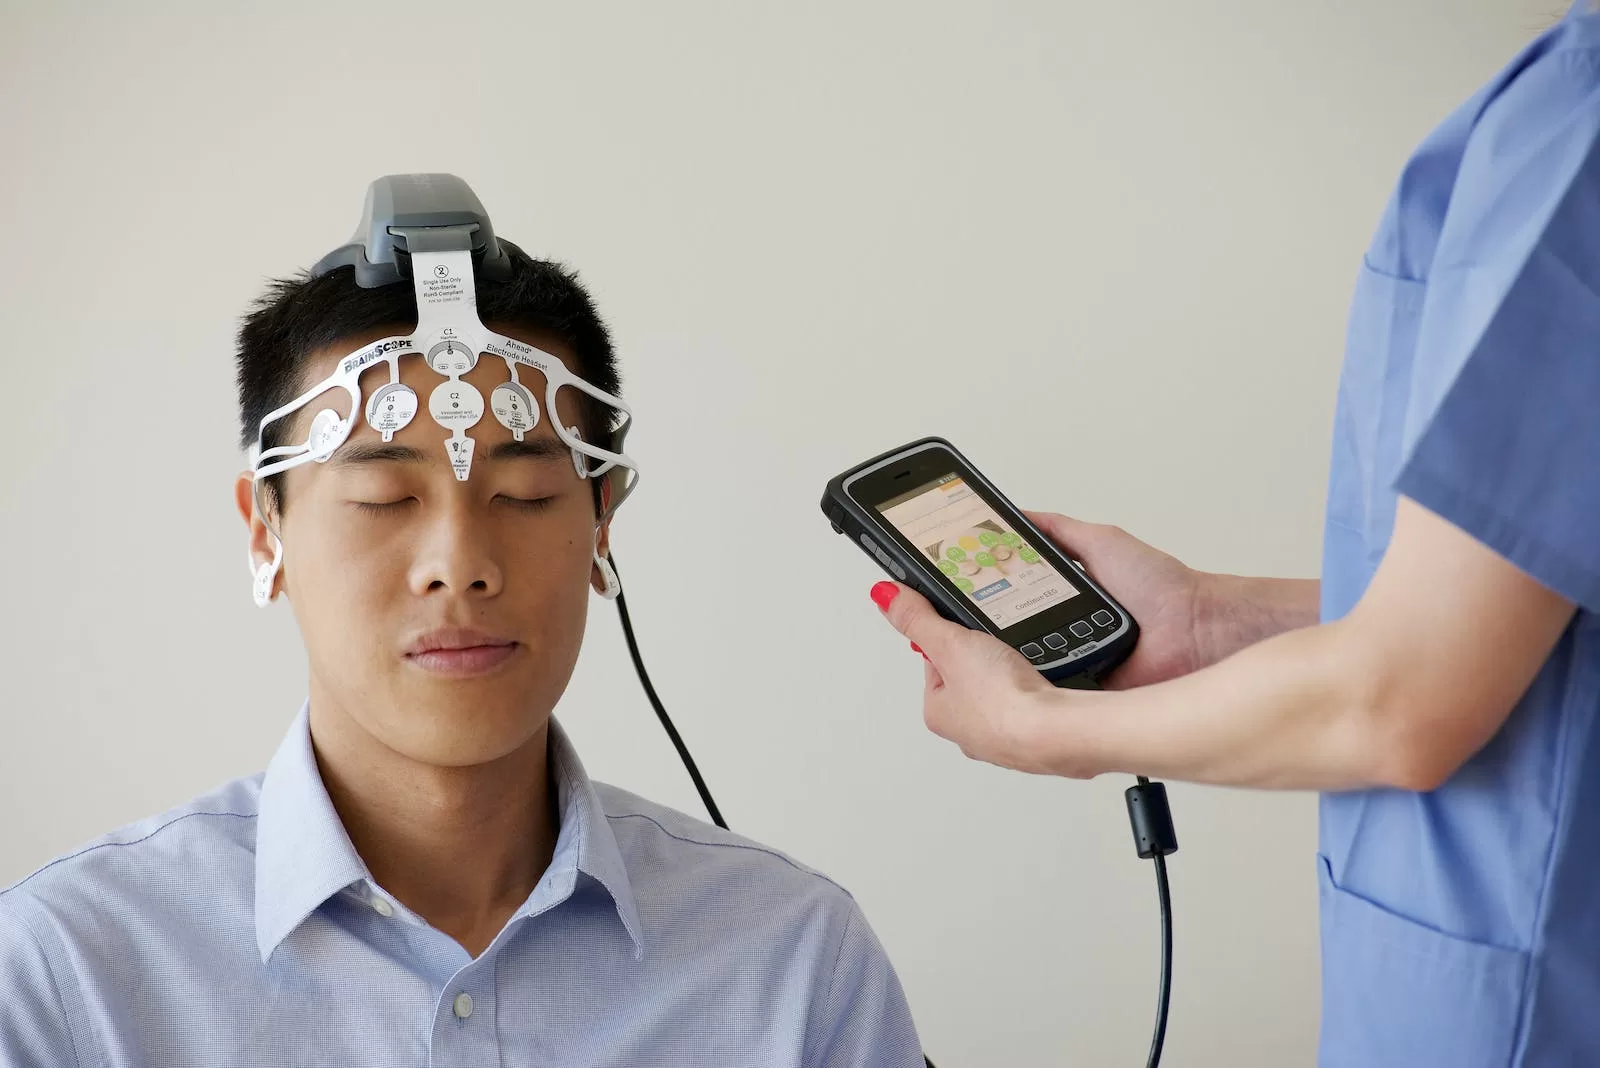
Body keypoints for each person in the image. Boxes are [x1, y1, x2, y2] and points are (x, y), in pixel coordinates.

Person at [0, 178, 924, 1067]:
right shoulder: (66, 974)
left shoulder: (794, 961)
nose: (460, 564)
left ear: (602, 521)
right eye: (382, 495)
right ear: (265, 528)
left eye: (524, 494)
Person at [872, 5, 1600, 1066]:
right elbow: (1526, 602)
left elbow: (1406, 701)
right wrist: (1210, 623)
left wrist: (1049, 731)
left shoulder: (1578, 122)